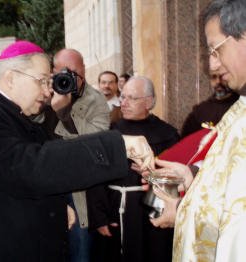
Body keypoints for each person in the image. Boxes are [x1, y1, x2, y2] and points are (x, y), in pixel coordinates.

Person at [0, 40, 154, 262]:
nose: (48, 90)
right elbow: (32, 167)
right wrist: (117, 145)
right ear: (11, 78)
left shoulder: (12, 114)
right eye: (41, 81)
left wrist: (59, 205)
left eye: (48, 82)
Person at [147, 1, 246, 261]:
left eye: (216, 50)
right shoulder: (240, 110)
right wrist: (194, 175)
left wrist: (182, 210)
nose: (213, 66)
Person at [87, 76, 179, 262]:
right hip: (117, 209)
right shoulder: (110, 132)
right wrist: (100, 216)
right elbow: (95, 176)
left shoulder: (168, 134)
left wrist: (153, 171)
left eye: (131, 98)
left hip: (153, 212)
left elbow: (175, 179)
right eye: (123, 97)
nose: (124, 103)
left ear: (149, 101)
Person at [44, 48, 110, 262]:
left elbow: (97, 140)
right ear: (53, 71)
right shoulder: (43, 92)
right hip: (46, 181)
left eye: (75, 73)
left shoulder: (96, 100)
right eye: (63, 72)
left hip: (77, 189)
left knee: (79, 250)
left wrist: (64, 112)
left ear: (84, 72)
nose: (69, 78)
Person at [181, 71, 239, 137]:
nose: (218, 82)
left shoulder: (241, 106)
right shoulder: (200, 111)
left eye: (222, 76)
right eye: (214, 77)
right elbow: (186, 142)